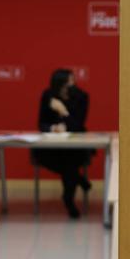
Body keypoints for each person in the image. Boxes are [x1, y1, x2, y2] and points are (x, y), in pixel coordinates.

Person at [35, 69, 92, 218]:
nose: (72, 84)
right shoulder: (48, 96)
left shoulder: (81, 97)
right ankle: (79, 179)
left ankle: (68, 200)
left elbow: (78, 125)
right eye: (69, 81)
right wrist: (53, 128)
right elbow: (41, 124)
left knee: (70, 162)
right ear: (59, 84)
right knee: (64, 165)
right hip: (52, 145)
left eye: (73, 81)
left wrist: (63, 112)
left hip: (75, 145)